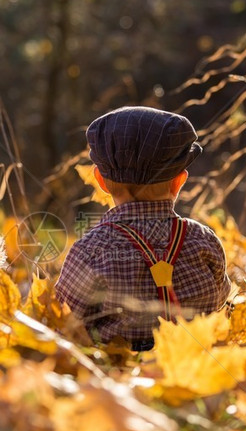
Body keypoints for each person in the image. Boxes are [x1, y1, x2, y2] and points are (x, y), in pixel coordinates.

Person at [55, 106, 231, 351]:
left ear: (101, 181)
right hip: (196, 360)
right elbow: (221, 302)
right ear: (179, 182)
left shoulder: (90, 250)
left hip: (116, 374)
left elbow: (64, 321)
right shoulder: (205, 240)